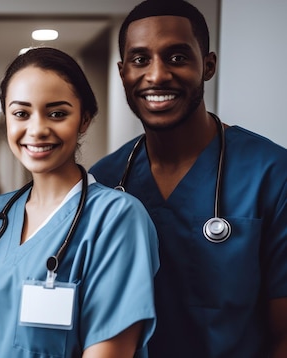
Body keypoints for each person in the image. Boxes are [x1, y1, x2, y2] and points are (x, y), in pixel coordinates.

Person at [89, 1, 287, 357]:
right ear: (122, 72)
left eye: (177, 57)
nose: (157, 75)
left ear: (208, 66)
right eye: (140, 60)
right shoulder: (103, 180)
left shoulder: (271, 174)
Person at [0, 47, 159, 358]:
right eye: (21, 113)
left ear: (84, 119)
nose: (37, 129)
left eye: (57, 113)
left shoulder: (116, 219)